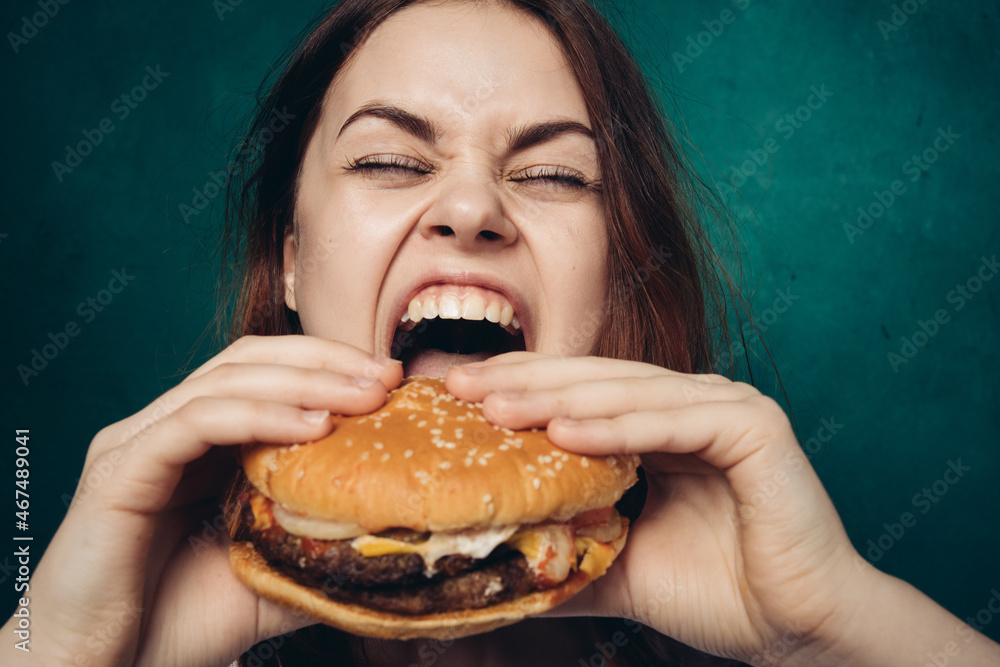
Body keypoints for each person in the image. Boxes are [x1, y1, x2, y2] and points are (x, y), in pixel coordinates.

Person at [4, 0, 999, 665]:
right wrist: (60, 654)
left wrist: (832, 628)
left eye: (555, 174)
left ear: (617, 273)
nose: (473, 206)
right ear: (293, 257)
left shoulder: (775, 608)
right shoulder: (148, 616)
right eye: (391, 161)